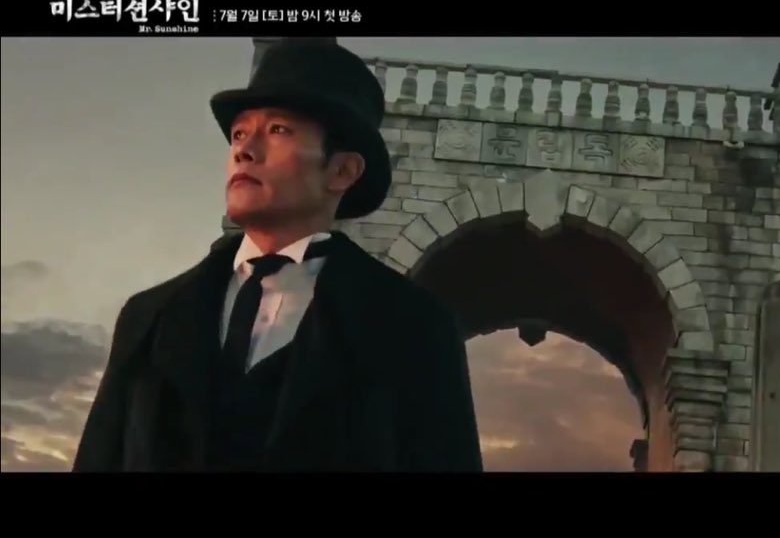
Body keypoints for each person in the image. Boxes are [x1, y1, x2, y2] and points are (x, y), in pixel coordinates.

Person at [72, 38, 484, 472]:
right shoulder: (147, 317)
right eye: (239, 134)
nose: (243, 150)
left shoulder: (415, 326)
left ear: (342, 170)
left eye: (278, 130)